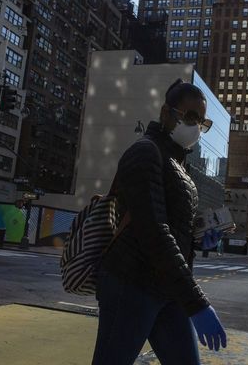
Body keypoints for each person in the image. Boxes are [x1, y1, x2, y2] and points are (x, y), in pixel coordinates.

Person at [93, 80, 227, 365]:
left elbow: (170, 230)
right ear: (167, 113)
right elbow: (153, 231)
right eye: (191, 117)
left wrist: (197, 239)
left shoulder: (179, 165)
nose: (196, 128)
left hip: (168, 289)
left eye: (201, 122)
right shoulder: (145, 152)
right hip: (130, 284)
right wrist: (197, 303)